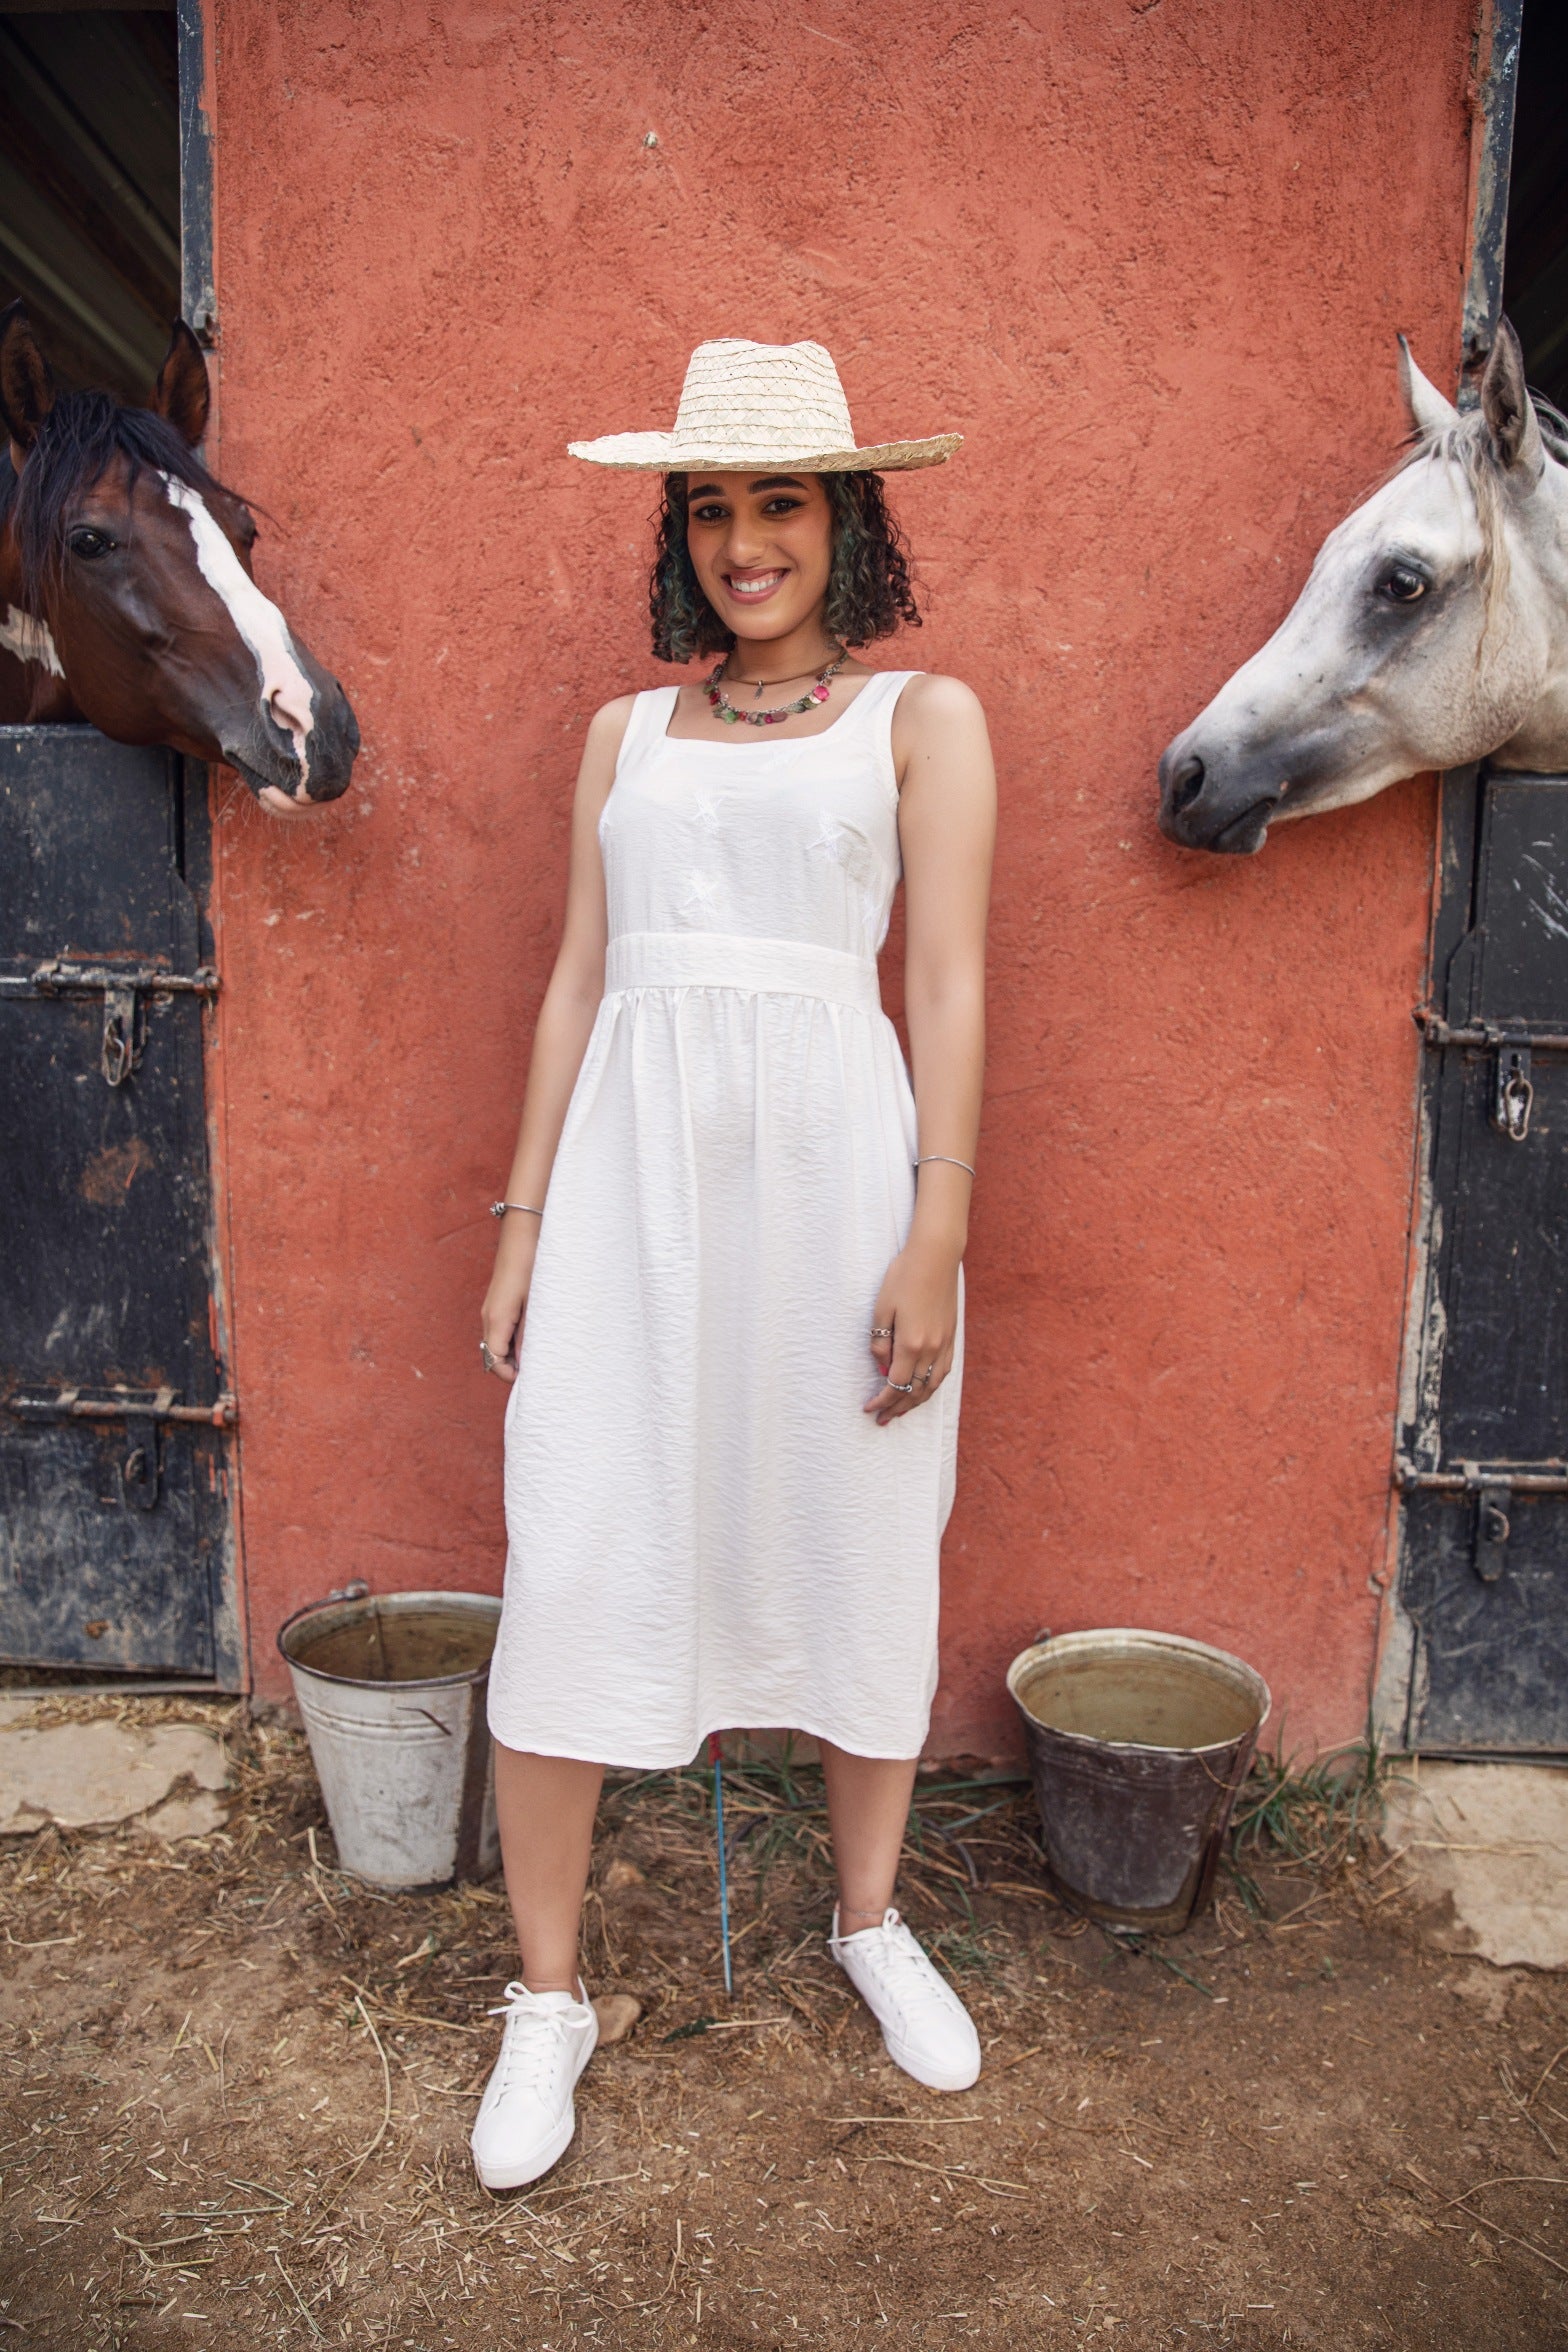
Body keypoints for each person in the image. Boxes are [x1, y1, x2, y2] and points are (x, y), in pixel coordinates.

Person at [471, 339, 996, 2192]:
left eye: (782, 503)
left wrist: (937, 1227)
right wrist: (523, 1221)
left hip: (843, 1188)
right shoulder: (623, 734)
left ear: (847, 520)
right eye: (713, 507)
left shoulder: (925, 718)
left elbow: (941, 983)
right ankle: (551, 1998)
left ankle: (866, 1923)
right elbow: (574, 984)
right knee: (581, 1542)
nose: (745, 542)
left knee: (857, 1542)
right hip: (629, 1197)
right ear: (677, 530)